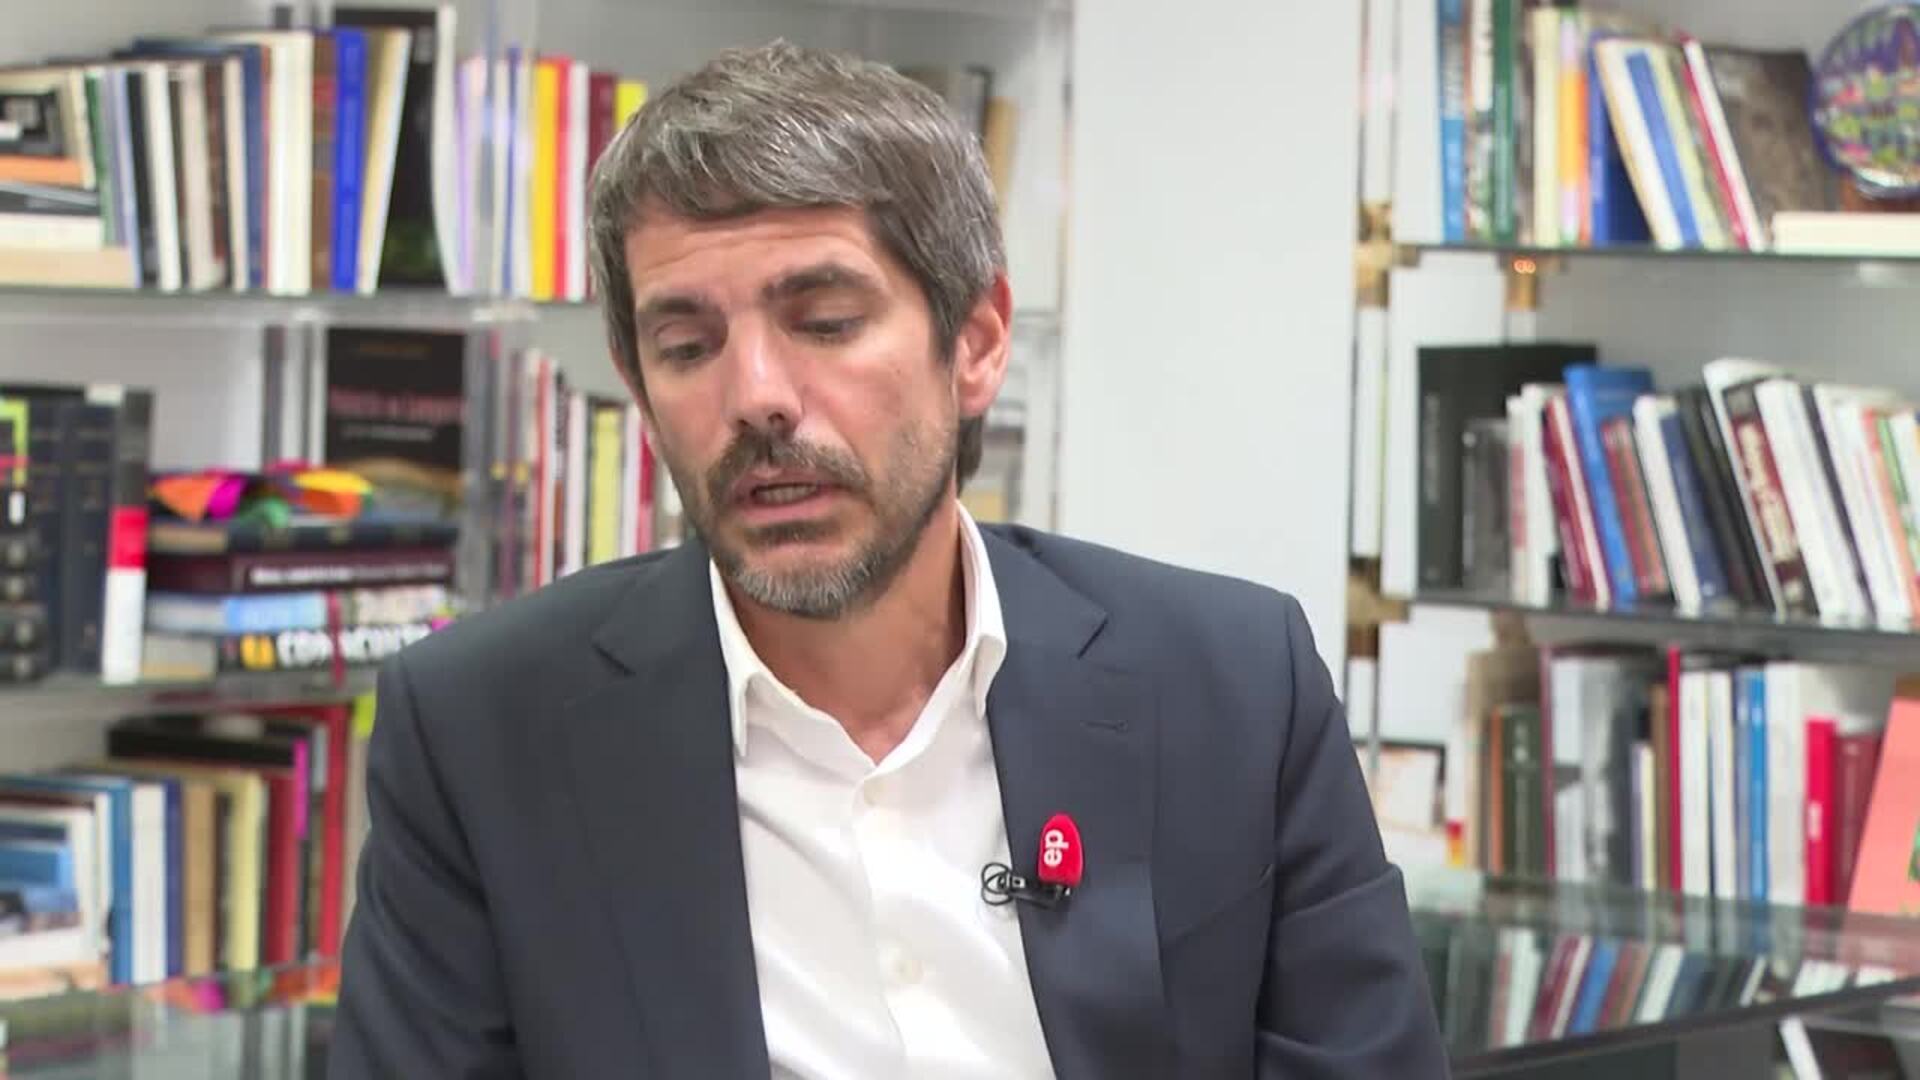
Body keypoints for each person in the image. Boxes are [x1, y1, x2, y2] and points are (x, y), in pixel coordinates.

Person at [329, 40, 1448, 1080]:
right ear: (639, 385)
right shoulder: (483, 733)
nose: (756, 397)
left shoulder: (1233, 686)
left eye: (824, 321)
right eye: (688, 346)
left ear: (977, 342)